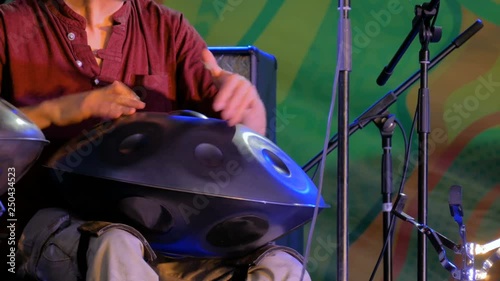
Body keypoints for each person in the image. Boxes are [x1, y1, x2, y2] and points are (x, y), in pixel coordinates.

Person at [0, 0, 313, 280]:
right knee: (116, 245)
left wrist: (247, 108)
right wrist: (60, 110)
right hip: (49, 229)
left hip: (168, 236)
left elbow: (239, 142)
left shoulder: (168, 28)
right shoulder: (10, 23)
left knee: (281, 264)